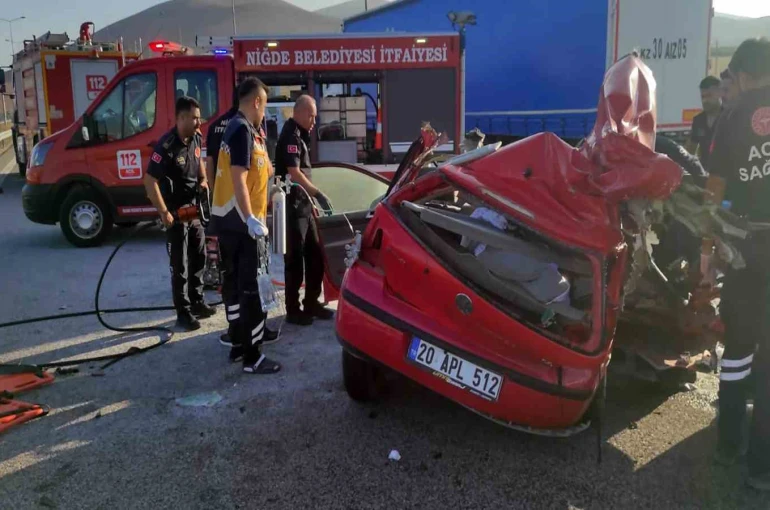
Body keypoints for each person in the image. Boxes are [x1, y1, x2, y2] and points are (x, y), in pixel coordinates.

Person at [708, 37, 770, 492]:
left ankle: (729, 445)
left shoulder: (729, 122)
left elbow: (712, 196)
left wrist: (706, 256)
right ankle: (762, 468)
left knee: (738, 351)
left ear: (744, 75)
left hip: (747, 248)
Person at [210, 77, 281, 374]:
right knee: (251, 288)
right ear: (256, 102)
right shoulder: (241, 130)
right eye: (264, 105)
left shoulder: (244, 129)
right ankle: (254, 356)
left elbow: (254, 172)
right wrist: (251, 217)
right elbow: (239, 176)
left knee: (236, 286)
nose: (264, 112)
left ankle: (239, 344)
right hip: (241, 225)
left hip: (230, 223)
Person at [143, 96, 216, 331]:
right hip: (175, 213)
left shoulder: (195, 137)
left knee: (200, 257)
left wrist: (204, 181)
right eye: (195, 117)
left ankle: (197, 303)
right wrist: (164, 212)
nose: (199, 122)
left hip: (194, 209)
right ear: (181, 117)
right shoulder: (166, 145)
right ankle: (182, 313)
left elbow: (199, 163)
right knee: (180, 265)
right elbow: (149, 181)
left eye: (199, 117)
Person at [275, 95, 334, 326]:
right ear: (298, 112)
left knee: (315, 255)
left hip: (304, 206)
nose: (314, 121)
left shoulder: (300, 134)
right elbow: (295, 173)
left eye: (315, 116)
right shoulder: (290, 135)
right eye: (310, 115)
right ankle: (293, 309)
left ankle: (311, 302)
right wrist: (318, 193)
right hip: (292, 207)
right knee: (295, 260)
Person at [686, 76, 723, 171]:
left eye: (709, 95)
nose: (705, 100)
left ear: (720, 93)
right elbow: (690, 151)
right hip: (704, 175)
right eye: (703, 96)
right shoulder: (698, 120)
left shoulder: (729, 117)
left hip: (726, 176)